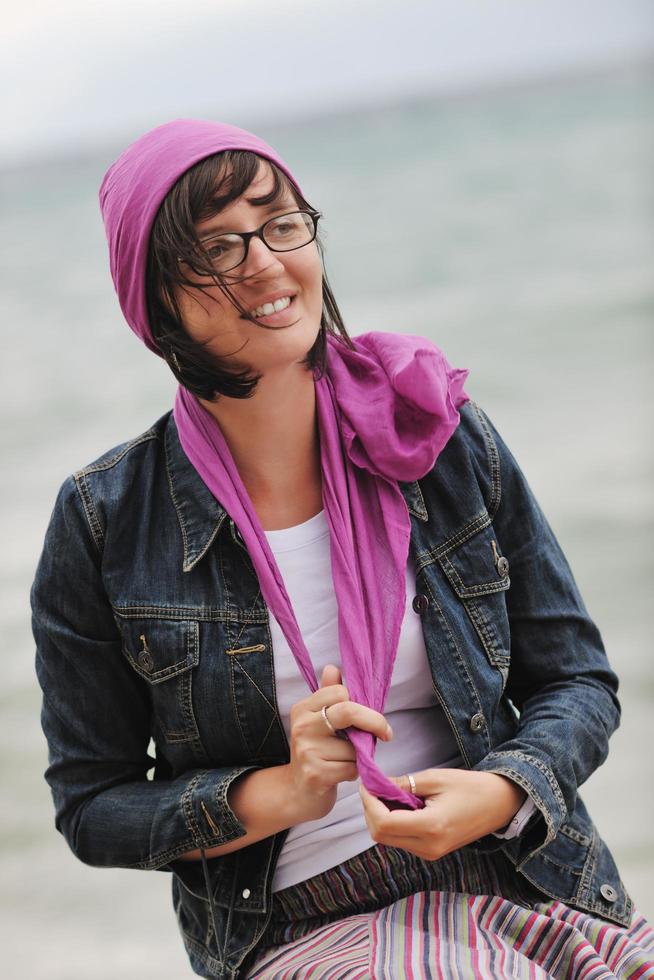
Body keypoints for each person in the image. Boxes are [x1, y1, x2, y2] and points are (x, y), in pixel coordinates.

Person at [32, 119, 654, 980]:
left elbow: (578, 681)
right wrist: (280, 790)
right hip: (302, 926)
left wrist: (506, 788)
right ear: (155, 297)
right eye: (216, 247)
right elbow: (93, 808)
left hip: (524, 878)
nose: (263, 262)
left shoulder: (436, 429)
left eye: (280, 223)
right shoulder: (103, 522)